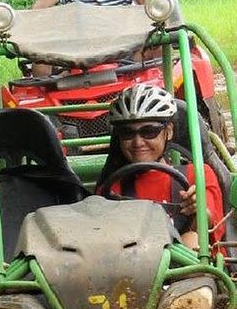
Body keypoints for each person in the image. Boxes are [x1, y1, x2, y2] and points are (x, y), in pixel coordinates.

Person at [96, 84, 225, 254]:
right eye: (127, 133)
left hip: (195, 270)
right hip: (136, 269)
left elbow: (210, 223)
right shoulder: (111, 189)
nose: (138, 143)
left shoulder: (198, 174)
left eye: (149, 131)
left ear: (168, 131)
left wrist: (198, 208)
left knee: (191, 240)